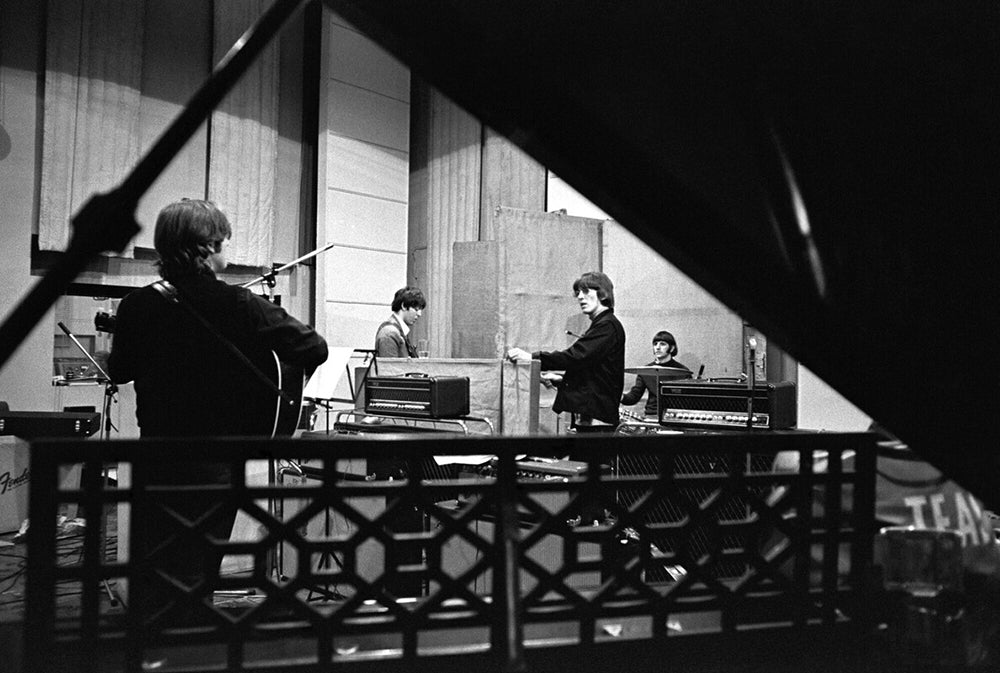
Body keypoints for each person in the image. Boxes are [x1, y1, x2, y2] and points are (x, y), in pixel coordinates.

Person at [108, 198, 328, 623]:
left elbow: (119, 372)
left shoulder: (137, 306)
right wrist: (269, 391)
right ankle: (190, 648)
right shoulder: (240, 305)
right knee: (197, 569)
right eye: (224, 242)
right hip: (216, 461)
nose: (227, 250)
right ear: (206, 248)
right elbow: (312, 347)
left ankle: (150, 646)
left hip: (157, 457)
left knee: (158, 565)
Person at [508, 271, 626, 433]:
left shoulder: (607, 326)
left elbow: (575, 357)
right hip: (592, 418)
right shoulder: (603, 325)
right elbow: (593, 372)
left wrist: (531, 357)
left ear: (602, 293)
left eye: (585, 292)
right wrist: (560, 379)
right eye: (578, 293)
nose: (579, 297)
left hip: (597, 421)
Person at [620, 330, 692, 420]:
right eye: (655, 344)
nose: (658, 347)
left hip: (675, 416)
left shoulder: (682, 372)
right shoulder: (645, 371)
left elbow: (688, 401)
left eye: (662, 344)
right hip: (651, 416)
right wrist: (620, 396)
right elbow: (634, 397)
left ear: (672, 348)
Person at [374, 286, 426, 357]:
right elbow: (390, 367)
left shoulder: (396, 332)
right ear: (404, 306)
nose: (419, 314)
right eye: (416, 309)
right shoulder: (389, 334)